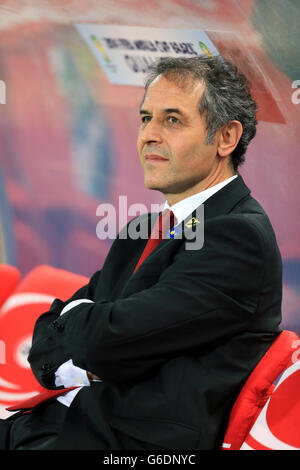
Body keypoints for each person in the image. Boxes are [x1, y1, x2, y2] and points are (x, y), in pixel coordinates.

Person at [0, 55, 282, 450]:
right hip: (56, 423)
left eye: (172, 120)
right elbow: (48, 336)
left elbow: (104, 339)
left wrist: (88, 334)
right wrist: (91, 342)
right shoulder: (143, 227)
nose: (148, 134)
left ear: (225, 138)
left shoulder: (237, 235)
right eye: (145, 118)